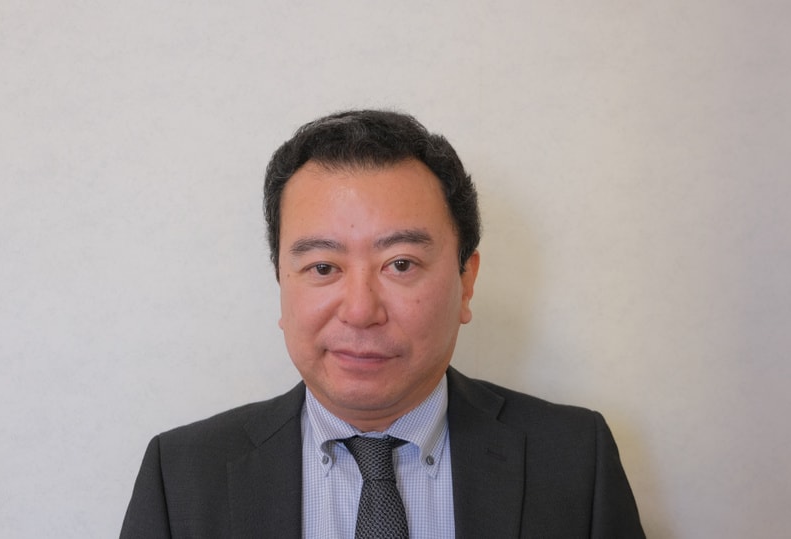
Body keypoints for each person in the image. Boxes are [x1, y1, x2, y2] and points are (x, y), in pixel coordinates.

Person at [120, 110, 645, 538]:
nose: (360, 310)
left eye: (400, 264)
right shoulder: (181, 476)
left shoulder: (576, 460)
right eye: (322, 268)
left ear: (466, 281)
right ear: (282, 284)